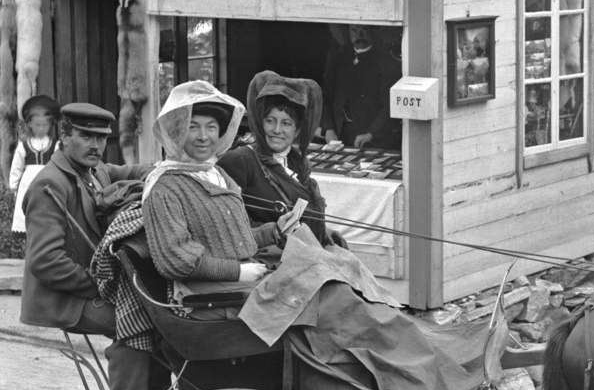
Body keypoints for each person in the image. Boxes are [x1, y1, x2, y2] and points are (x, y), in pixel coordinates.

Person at [20, 102, 158, 390]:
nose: (96, 146)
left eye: (101, 138)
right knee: (138, 323)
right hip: (65, 297)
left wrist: (168, 170)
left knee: (161, 314)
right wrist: (102, 284)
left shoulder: (93, 171)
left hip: (89, 285)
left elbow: (130, 171)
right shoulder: (50, 184)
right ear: (64, 135)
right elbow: (45, 261)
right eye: (86, 136)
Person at [142, 81, 303, 297]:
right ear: (176, 132)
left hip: (238, 281)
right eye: (192, 126)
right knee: (306, 297)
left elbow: (231, 240)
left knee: (323, 281)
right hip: (201, 294)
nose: (203, 136)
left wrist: (274, 231)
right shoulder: (163, 187)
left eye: (211, 127)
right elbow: (175, 261)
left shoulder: (217, 174)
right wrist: (237, 272)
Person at [218, 71, 346, 248]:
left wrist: (324, 232)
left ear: (297, 130)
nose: (276, 130)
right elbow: (228, 224)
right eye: (270, 121)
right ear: (261, 123)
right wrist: (274, 232)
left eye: (286, 123)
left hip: (299, 248)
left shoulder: (298, 164)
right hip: (264, 255)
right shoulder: (240, 160)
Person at [320, 25, 401, 151]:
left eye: (364, 30)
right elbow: (325, 96)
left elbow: (392, 104)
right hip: (340, 135)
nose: (359, 35)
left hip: (372, 139)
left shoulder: (386, 62)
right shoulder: (340, 60)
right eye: (354, 31)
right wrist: (328, 128)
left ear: (372, 32)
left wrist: (372, 133)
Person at [9, 94, 60, 233]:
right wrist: (14, 188)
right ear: (30, 125)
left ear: (50, 125)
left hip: (47, 183)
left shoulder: (55, 145)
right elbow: (16, 168)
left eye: (45, 125)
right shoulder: (23, 146)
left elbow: (59, 165)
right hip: (28, 185)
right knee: (29, 212)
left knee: (47, 214)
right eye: (38, 125)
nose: (41, 129)